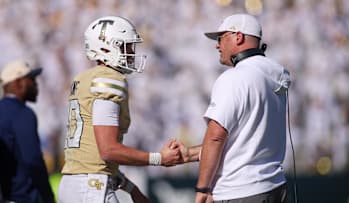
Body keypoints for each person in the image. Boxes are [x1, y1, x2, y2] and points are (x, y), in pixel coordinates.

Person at [58, 16, 182, 203]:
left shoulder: (83, 78)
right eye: (126, 46)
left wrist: (131, 189)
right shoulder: (109, 78)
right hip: (91, 187)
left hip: (74, 184)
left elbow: (93, 154)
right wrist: (159, 158)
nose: (131, 53)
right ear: (107, 46)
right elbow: (108, 150)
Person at [179, 14, 291, 203]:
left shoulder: (234, 77)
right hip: (275, 187)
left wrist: (203, 187)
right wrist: (189, 154)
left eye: (221, 38)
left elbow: (216, 137)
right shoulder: (275, 74)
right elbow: (245, 142)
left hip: (240, 192)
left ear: (238, 37)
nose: (217, 45)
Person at [0, 60, 55, 203]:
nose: (36, 84)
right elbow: (32, 159)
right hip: (23, 198)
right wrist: (48, 197)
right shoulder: (22, 113)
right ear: (18, 82)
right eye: (31, 79)